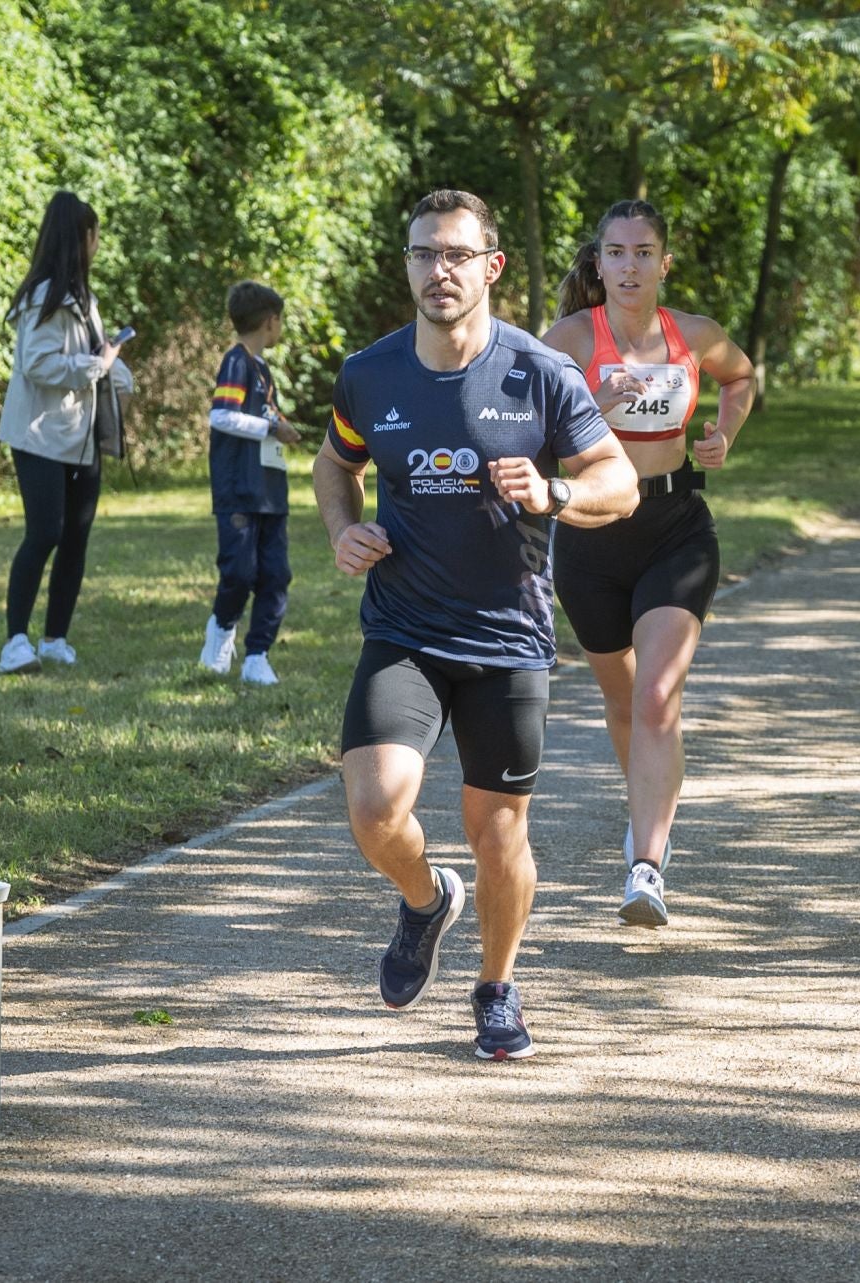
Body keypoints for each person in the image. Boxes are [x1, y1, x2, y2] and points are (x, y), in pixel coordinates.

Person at [314, 189, 638, 1061]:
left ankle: (496, 986)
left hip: (508, 638)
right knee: (376, 809)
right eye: (424, 254)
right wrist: (344, 530)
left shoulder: (540, 373)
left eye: (456, 255)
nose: (439, 271)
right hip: (405, 629)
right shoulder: (371, 374)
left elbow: (620, 481)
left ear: (490, 266)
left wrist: (555, 492)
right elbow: (333, 461)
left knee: (501, 836)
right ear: (408, 265)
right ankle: (426, 899)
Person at [540, 200, 758, 927]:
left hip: (675, 527)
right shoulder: (567, 341)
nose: (629, 266)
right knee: (623, 697)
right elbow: (522, 430)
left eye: (643, 253)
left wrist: (723, 433)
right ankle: (647, 806)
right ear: (597, 263)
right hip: (589, 533)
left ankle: (647, 864)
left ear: (665, 263)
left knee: (658, 696)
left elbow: (741, 377)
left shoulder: (692, 335)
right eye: (616, 252)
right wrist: (589, 407)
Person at [0, 190, 133, 676]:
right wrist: (98, 365)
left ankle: (55, 639)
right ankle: (15, 643)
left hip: (80, 436)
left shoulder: (83, 299)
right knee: (45, 532)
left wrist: (117, 371)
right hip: (39, 435)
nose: (98, 244)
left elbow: (93, 358)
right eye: (95, 235)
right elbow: (37, 364)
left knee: (77, 536)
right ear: (83, 237)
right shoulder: (43, 297)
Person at [199, 281, 303, 686]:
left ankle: (257, 654)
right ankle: (221, 634)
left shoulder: (262, 368)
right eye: (280, 322)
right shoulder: (236, 362)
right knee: (240, 572)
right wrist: (273, 428)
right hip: (238, 491)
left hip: (270, 492)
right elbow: (221, 416)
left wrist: (277, 427)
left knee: (276, 574)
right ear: (270, 321)